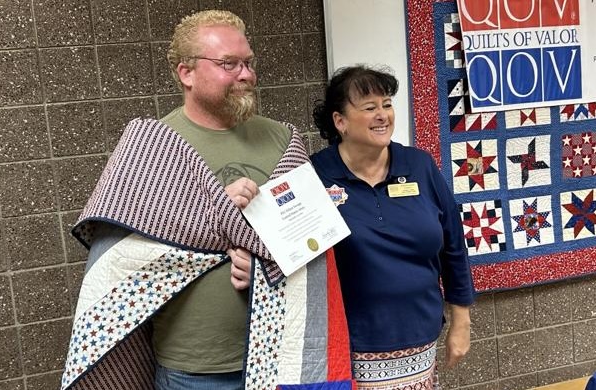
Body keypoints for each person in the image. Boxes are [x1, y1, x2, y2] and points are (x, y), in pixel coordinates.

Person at [60, 10, 353, 390]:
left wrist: (266, 268)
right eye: (228, 64)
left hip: (284, 360)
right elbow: (123, 255)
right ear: (187, 73)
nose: (246, 74)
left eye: (248, 62)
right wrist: (213, 212)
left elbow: (311, 242)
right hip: (193, 368)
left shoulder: (283, 140)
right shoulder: (150, 146)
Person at [311, 65, 475, 389]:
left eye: (386, 104)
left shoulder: (419, 165)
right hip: (351, 347)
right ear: (339, 121)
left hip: (420, 340)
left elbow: (453, 247)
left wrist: (461, 321)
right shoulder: (315, 176)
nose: (382, 114)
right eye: (370, 107)